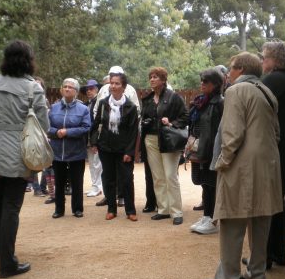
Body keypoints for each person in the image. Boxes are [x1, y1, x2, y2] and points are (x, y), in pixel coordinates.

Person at [202, 52, 282, 279]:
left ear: (241, 69)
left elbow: (232, 133)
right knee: (260, 220)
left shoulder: (236, 91)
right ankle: (257, 274)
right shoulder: (267, 92)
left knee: (232, 220)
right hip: (268, 163)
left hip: (242, 164)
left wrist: (223, 162)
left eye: (231, 68)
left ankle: (228, 278)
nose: (228, 74)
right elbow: (276, 133)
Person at [0, 40, 49, 278]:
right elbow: (43, 125)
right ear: (29, 61)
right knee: (11, 207)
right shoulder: (32, 89)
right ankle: (7, 263)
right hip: (19, 154)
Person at [260, 41, 285, 267]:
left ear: (275, 59)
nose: (262, 61)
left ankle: (266, 255)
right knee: (276, 205)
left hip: (275, 150)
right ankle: (278, 252)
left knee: (269, 206)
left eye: (265, 57)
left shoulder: (274, 80)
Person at [140, 67, 188, 225]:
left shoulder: (174, 97)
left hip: (168, 139)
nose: (152, 79)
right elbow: (144, 118)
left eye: (155, 77)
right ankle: (163, 209)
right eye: (150, 77)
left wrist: (172, 123)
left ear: (163, 79)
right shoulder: (147, 99)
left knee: (170, 176)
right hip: (151, 140)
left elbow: (185, 117)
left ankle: (176, 212)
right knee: (158, 177)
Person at [91, 72, 139, 221]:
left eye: (117, 83)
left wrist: (129, 152)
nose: (113, 86)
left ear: (123, 87)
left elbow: (133, 132)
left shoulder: (130, 107)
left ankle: (130, 210)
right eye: (111, 83)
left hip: (124, 149)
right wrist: (94, 142)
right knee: (108, 178)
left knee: (126, 179)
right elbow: (96, 123)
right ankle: (111, 209)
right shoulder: (104, 103)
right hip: (106, 147)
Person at [188, 68, 225, 235]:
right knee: (204, 184)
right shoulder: (200, 101)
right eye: (201, 81)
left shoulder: (220, 103)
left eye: (206, 82)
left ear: (216, 84)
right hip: (199, 149)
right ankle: (206, 216)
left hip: (212, 151)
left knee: (211, 185)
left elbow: (220, 130)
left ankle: (212, 219)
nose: (202, 84)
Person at [48, 78, 91, 218]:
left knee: (77, 182)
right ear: (61, 90)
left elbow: (86, 128)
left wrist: (67, 132)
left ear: (76, 92)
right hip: (57, 152)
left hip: (76, 152)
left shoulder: (83, 109)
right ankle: (59, 209)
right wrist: (55, 132)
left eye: (70, 87)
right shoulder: (53, 108)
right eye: (65, 86)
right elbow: (46, 127)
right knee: (59, 182)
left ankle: (78, 209)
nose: (67, 89)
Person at [83, 79, 103, 198]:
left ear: (97, 89)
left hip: (96, 137)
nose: (89, 91)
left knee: (97, 163)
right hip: (88, 137)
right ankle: (95, 185)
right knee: (91, 163)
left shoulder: (99, 103)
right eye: (87, 89)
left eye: (91, 89)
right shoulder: (86, 104)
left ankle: (97, 187)